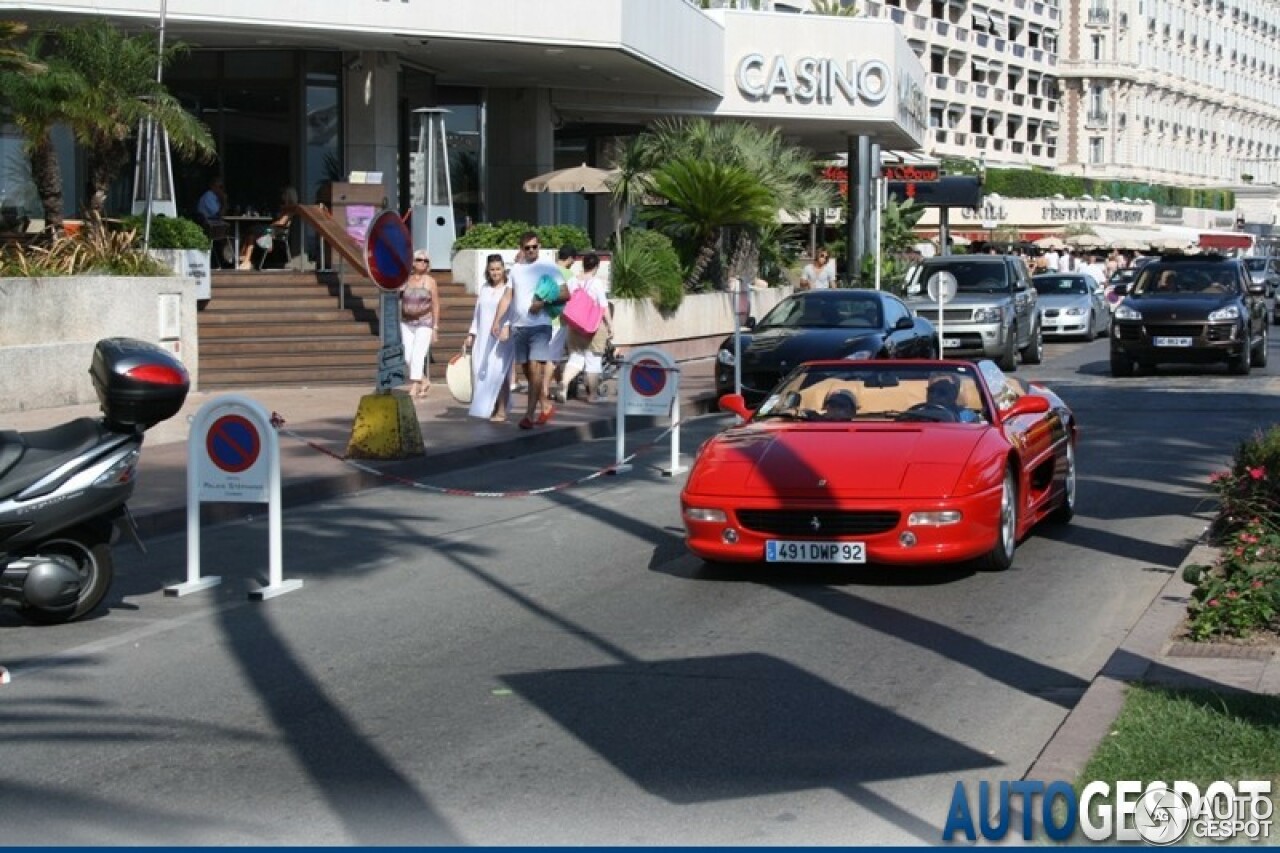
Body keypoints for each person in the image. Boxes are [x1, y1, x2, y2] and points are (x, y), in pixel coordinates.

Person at [508, 230, 559, 429]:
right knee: (528, 370)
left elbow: (565, 293)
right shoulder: (515, 270)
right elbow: (508, 296)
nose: (531, 250)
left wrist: (543, 301)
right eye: (527, 247)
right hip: (519, 326)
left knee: (535, 366)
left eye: (534, 247)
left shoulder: (548, 267)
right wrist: (500, 322)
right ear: (521, 249)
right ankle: (545, 404)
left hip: (540, 325)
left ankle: (529, 415)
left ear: (540, 247)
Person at [465, 254, 515, 422]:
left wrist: (507, 327)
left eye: (498, 269)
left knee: (499, 373)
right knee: (481, 371)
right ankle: (490, 407)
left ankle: (501, 410)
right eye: (492, 269)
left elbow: (513, 311)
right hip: (483, 337)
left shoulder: (509, 288)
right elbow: (477, 314)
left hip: (502, 337)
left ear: (503, 269)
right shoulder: (484, 288)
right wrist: (472, 333)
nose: (495, 272)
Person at [558, 253, 612, 404]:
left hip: (574, 326)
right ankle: (593, 395)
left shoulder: (573, 281)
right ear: (596, 266)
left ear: (583, 265)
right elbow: (603, 307)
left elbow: (566, 302)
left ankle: (564, 383)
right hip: (592, 328)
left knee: (575, 358)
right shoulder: (596, 283)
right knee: (593, 361)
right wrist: (610, 326)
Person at [399, 248, 440, 400]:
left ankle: (414, 385)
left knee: (418, 354)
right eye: (419, 260)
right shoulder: (406, 280)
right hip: (407, 321)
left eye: (425, 261)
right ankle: (424, 380)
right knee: (407, 356)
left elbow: (436, 304)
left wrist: (435, 327)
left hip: (424, 321)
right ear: (413, 262)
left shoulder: (430, 282)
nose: (422, 263)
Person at [544, 245, 576, 403]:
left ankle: (558, 384)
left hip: (543, 318)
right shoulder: (569, 275)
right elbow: (574, 299)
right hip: (559, 319)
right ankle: (544, 390)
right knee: (554, 356)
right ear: (570, 259)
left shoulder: (547, 270)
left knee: (551, 353)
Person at [238, 185, 298, 270]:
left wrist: (270, 225)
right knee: (251, 232)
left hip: (278, 231)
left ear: (288, 195)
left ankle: (246, 259)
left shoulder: (290, 209)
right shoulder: (284, 207)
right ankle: (245, 258)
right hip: (274, 229)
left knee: (252, 230)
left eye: (284, 194)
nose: (282, 196)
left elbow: (282, 223)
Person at [195, 176, 232, 267]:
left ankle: (231, 259)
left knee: (236, 233)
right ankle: (229, 261)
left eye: (222, 187)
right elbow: (219, 214)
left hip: (215, 224)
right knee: (232, 234)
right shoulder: (209, 196)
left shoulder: (215, 197)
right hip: (210, 227)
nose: (221, 190)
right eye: (220, 187)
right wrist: (224, 201)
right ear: (213, 186)